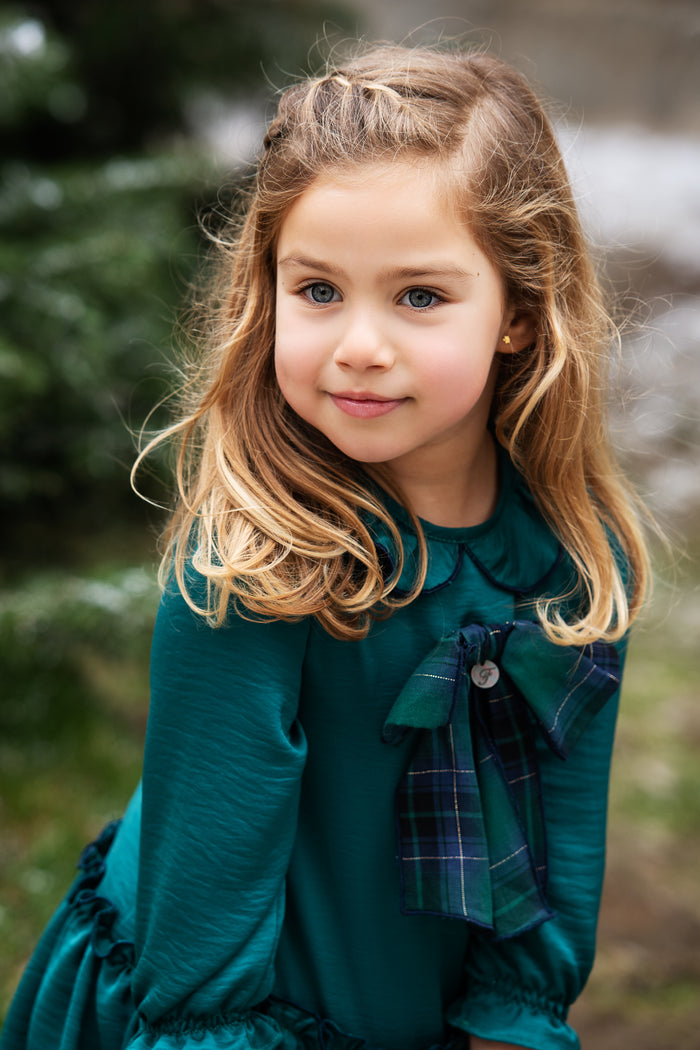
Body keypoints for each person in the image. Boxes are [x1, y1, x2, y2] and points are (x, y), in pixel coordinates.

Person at [1, 43, 651, 1050]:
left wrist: (510, 1025)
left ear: (519, 315)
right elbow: (207, 901)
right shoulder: (259, 567)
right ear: (267, 290)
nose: (357, 344)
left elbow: (555, 851)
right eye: (316, 290)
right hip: (231, 1013)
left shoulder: (571, 564)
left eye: (419, 297)